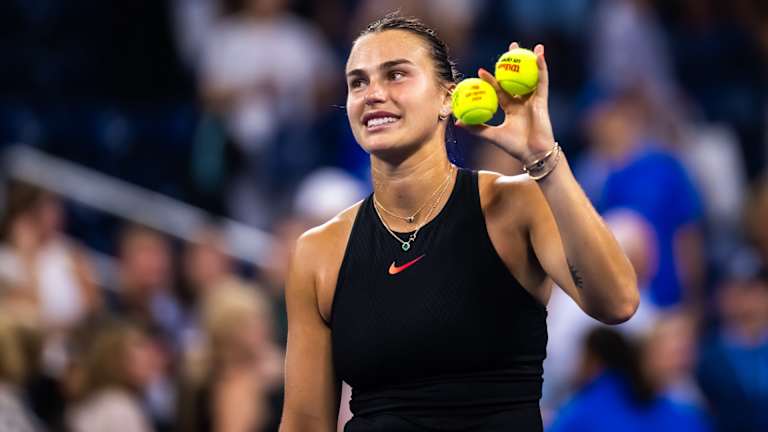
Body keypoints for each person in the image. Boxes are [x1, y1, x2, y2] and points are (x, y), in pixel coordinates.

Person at [280, 13, 638, 432]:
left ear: (448, 98)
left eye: (396, 75)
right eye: (358, 82)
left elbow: (617, 303)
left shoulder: (516, 203)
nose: (373, 93)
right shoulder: (319, 251)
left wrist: (543, 158)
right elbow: (305, 422)